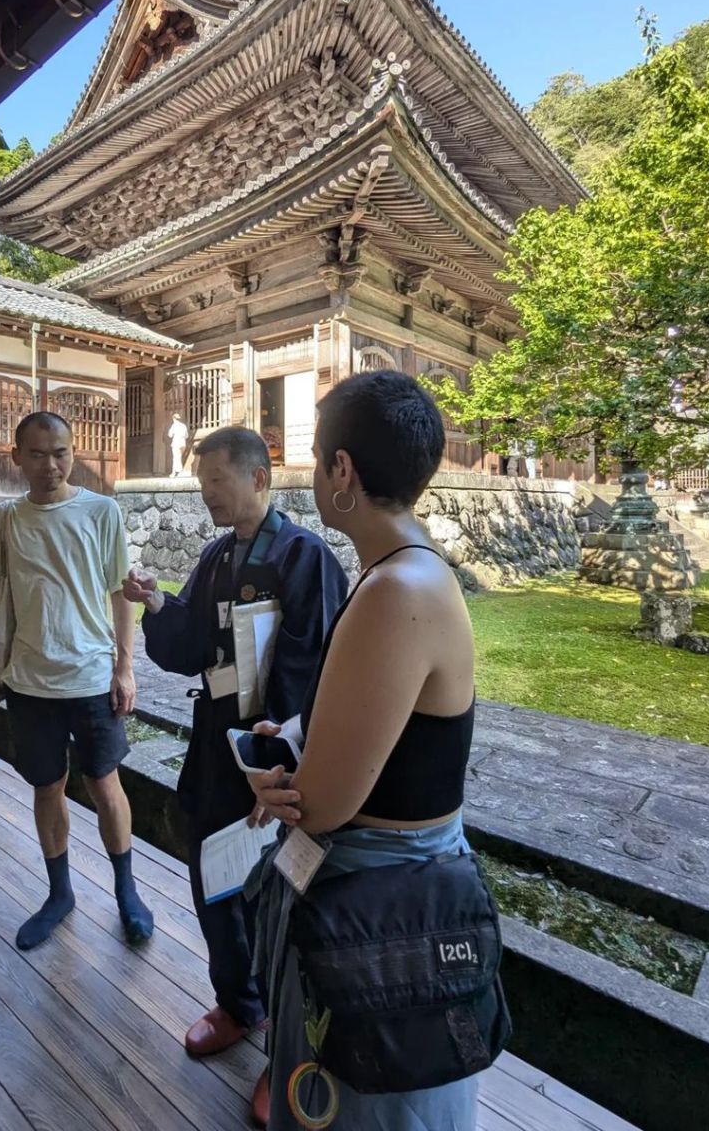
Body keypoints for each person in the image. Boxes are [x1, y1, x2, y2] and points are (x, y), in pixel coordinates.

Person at [247, 372, 489, 1130]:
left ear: (342, 470)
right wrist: (298, 737)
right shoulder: (409, 570)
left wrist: (275, 785)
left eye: (318, 458)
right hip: (399, 878)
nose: (314, 473)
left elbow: (322, 805)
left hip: (381, 904)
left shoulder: (395, 593)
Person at [123, 426, 347, 1126]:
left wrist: (275, 761)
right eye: (202, 483)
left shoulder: (304, 557)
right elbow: (192, 644)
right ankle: (239, 1003)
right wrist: (157, 605)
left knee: (281, 899)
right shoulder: (217, 556)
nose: (206, 494)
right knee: (212, 874)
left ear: (257, 478)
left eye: (216, 481)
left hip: (278, 760)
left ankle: (289, 1049)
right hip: (217, 748)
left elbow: (314, 668)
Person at [0, 411, 153, 952]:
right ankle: (60, 893)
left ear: (73, 453)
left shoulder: (101, 511)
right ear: (17, 457)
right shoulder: (6, 518)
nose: (50, 465)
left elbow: (120, 593)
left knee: (105, 783)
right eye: (37, 454)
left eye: (61, 453)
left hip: (91, 675)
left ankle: (127, 891)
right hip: (28, 680)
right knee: (46, 786)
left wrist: (125, 667)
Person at [168, 412, 189, 478]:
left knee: (176, 458)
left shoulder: (174, 426)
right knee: (178, 457)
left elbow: (170, 435)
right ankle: (178, 471)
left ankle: (175, 472)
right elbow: (187, 436)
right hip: (183, 443)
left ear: (173, 419)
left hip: (176, 443)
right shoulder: (183, 426)